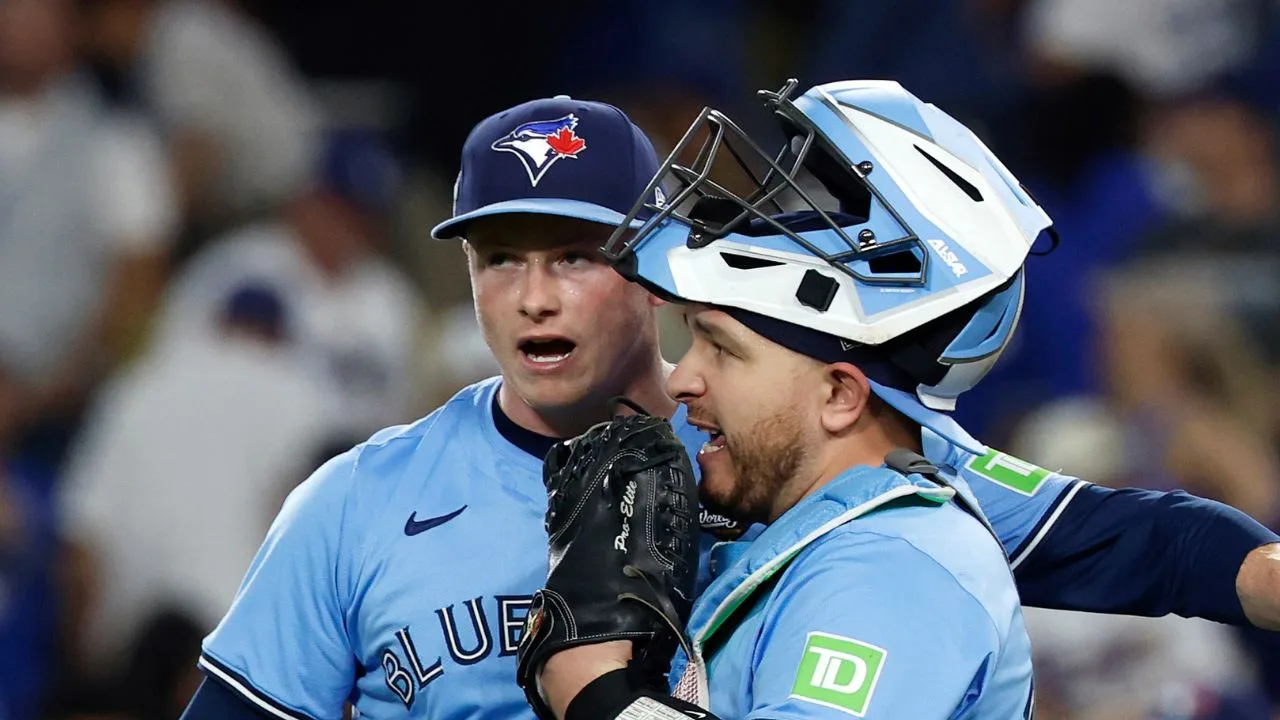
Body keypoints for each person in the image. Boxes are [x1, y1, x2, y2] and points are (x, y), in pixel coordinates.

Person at [179, 88, 1280, 720]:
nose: (531, 295)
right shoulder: (358, 501)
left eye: (573, 255)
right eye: (497, 260)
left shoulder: (794, 453)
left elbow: (1129, 543)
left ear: (659, 271)